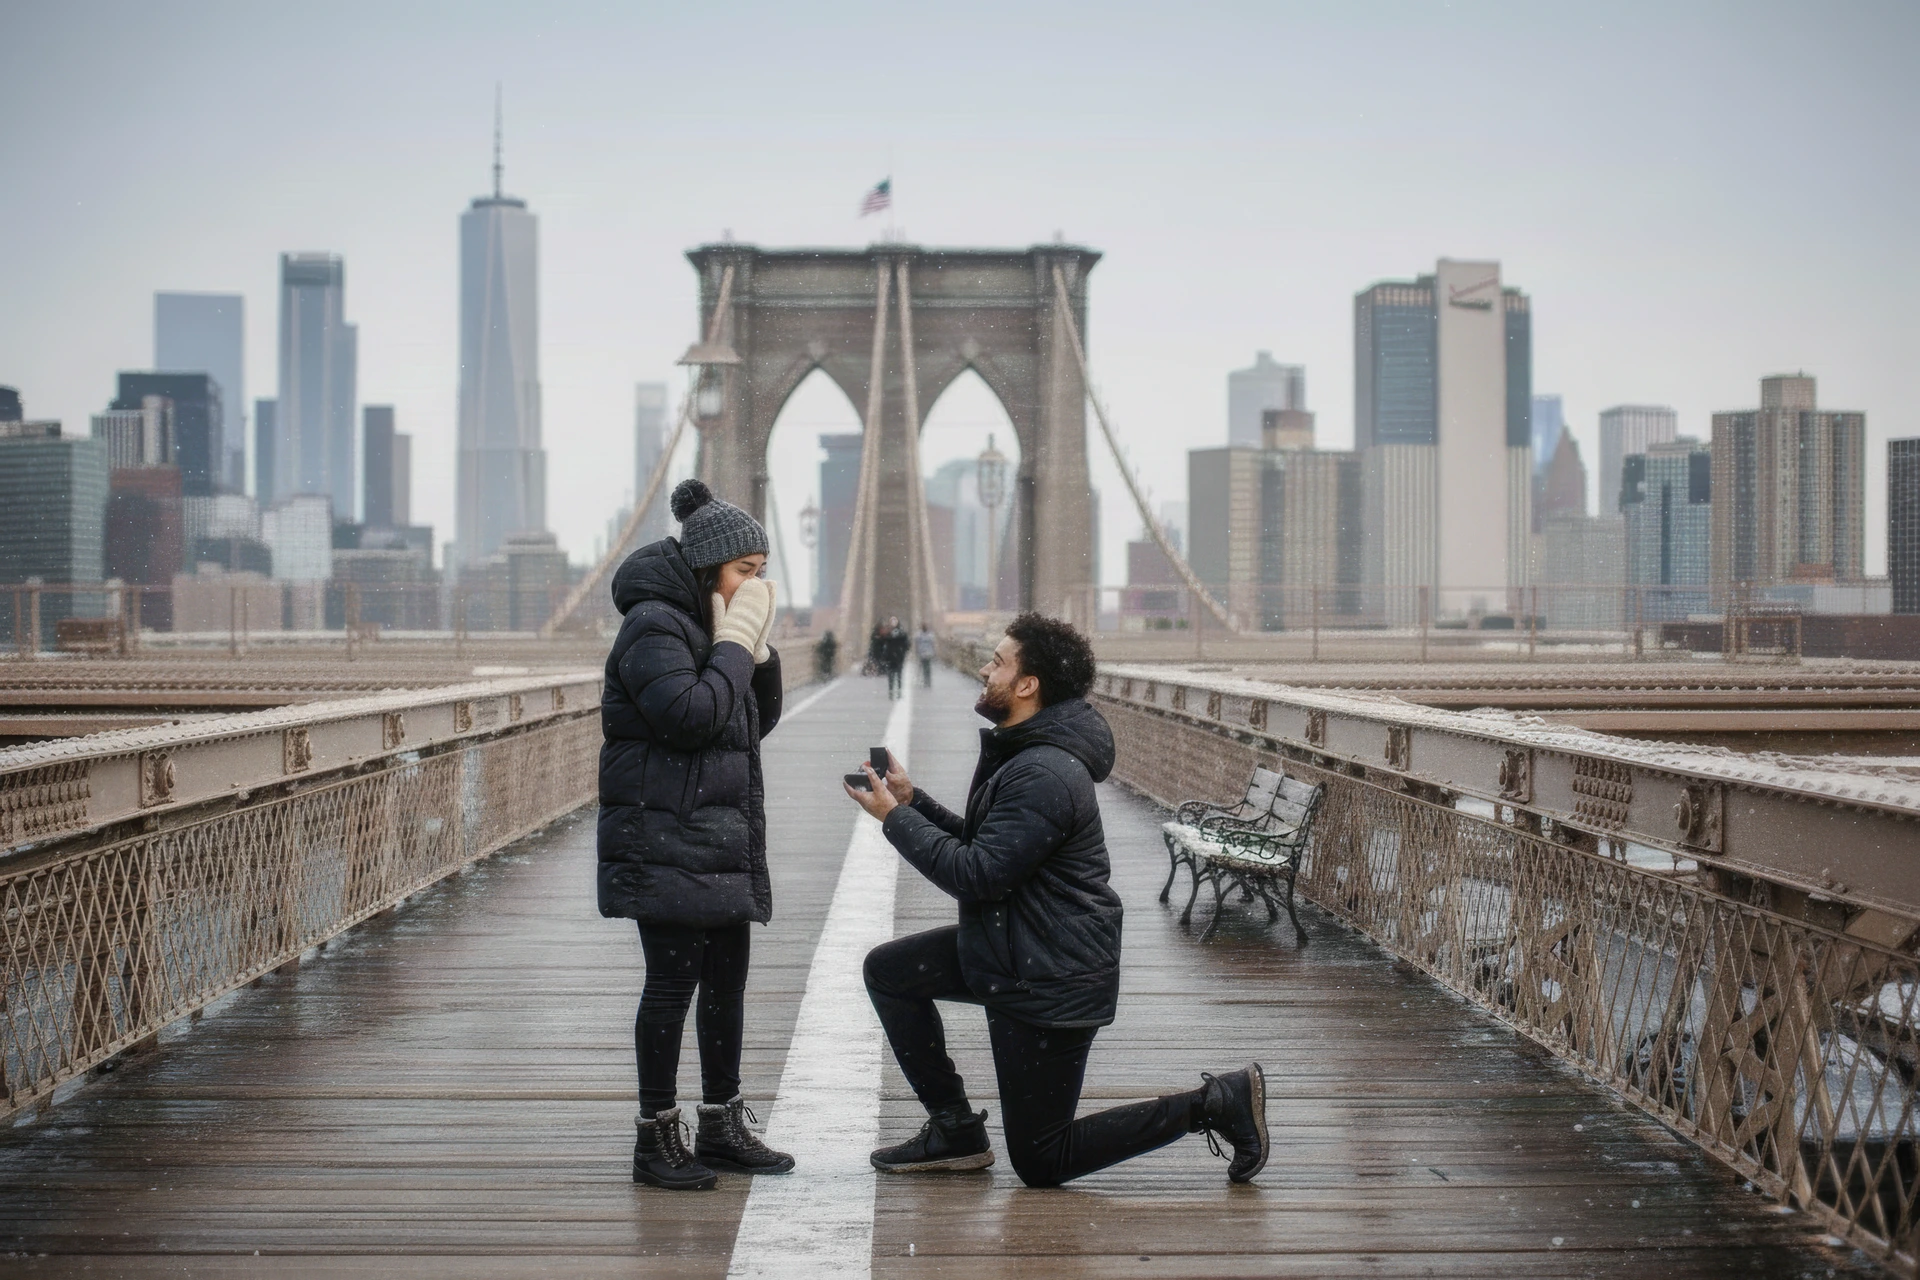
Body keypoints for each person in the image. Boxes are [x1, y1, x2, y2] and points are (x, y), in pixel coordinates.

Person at [843, 613, 1268, 1187]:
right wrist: (913, 801)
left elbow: (979, 876)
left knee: (1043, 1159)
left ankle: (1215, 1103)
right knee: (891, 972)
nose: (984, 669)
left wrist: (894, 820)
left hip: (1051, 972)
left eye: (998, 661)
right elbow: (990, 846)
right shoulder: (1031, 754)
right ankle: (955, 1130)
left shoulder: (1043, 770)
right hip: (1021, 947)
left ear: (1027, 685)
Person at [598, 478, 796, 1191]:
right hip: (666, 836)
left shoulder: (706, 627)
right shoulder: (653, 625)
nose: (756, 585)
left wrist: (756, 649)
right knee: (672, 986)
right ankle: (655, 1137)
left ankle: (720, 1126)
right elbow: (691, 717)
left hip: (717, 835)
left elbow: (751, 721)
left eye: (762, 573)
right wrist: (735, 642)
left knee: (726, 986)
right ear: (709, 567)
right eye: (747, 571)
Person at [881, 614, 910, 700]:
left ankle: (897, 691)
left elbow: (906, 644)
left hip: (896, 657)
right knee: (893, 676)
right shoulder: (897, 633)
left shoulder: (895, 633)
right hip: (894, 657)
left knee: (896, 676)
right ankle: (893, 691)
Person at [914, 623, 936, 688]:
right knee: (925, 667)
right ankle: (926, 681)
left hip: (926, 653)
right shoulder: (927, 635)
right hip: (924, 653)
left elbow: (932, 644)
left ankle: (927, 681)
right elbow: (917, 644)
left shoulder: (927, 635)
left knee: (926, 667)